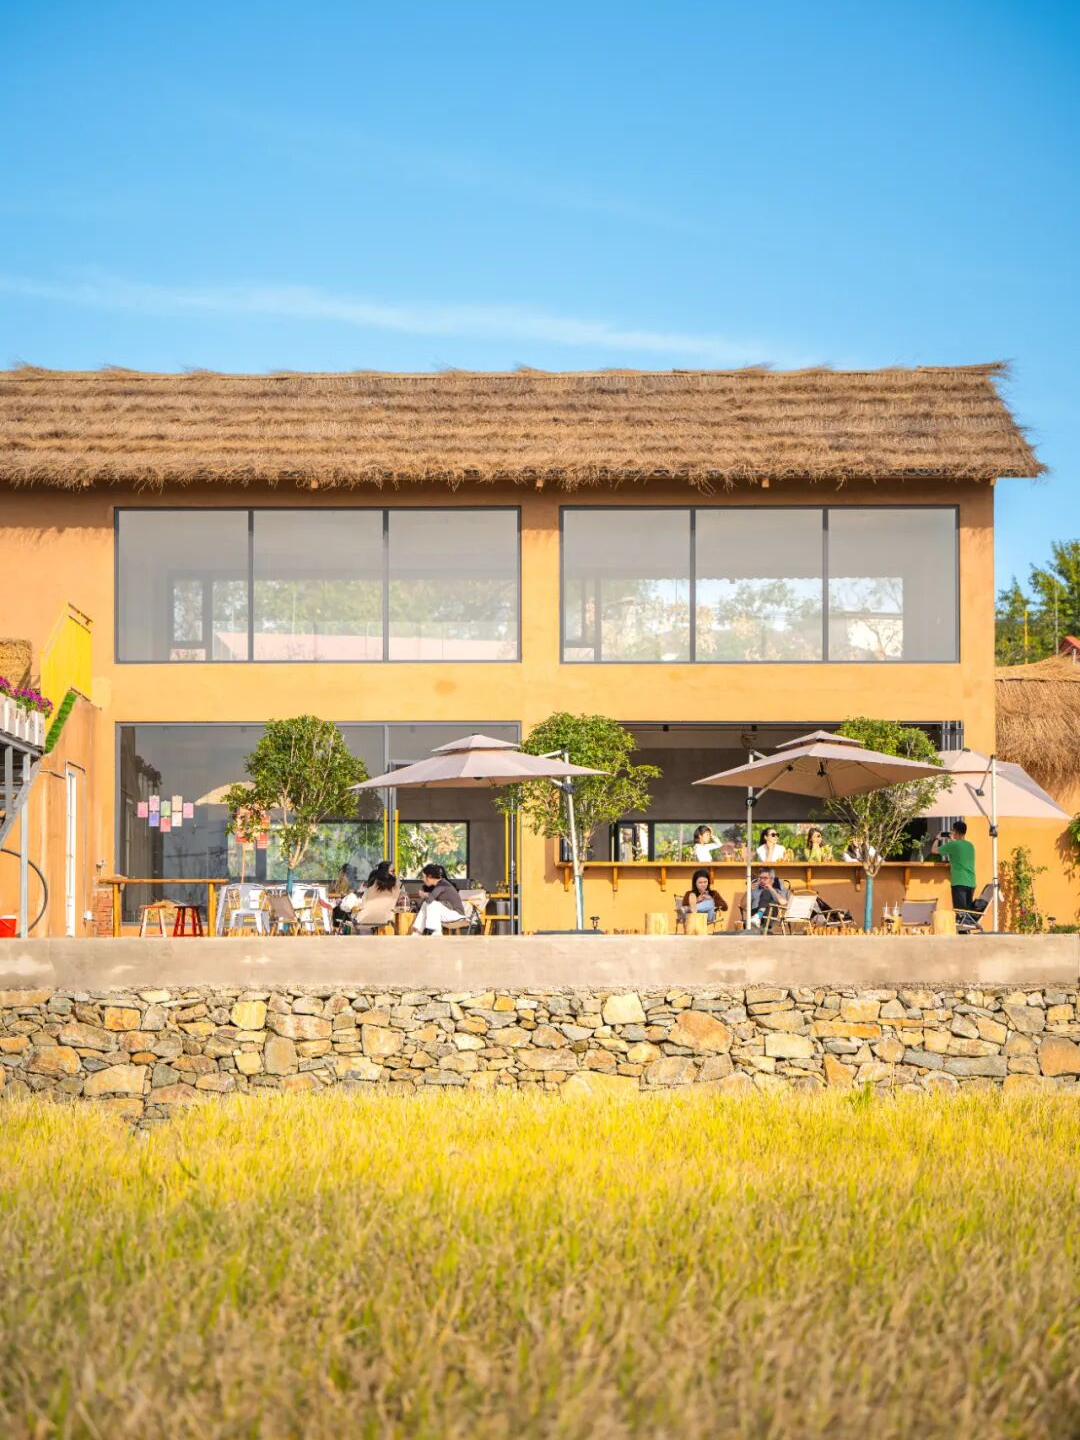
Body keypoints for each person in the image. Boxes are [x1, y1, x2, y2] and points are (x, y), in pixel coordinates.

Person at [932, 821, 977, 912]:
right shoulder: (970, 845)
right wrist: (953, 840)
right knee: (967, 914)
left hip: (959, 882)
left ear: (956, 831)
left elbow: (934, 850)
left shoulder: (954, 845)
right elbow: (959, 848)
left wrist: (937, 838)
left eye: (952, 830)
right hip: (971, 883)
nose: (951, 832)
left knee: (960, 913)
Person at [412, 862, 467, 935]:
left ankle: (436, 932)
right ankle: (417, 931)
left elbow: (430, 899)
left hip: (457, 915)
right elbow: (428, 900)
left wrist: (424, 894)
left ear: (429, 877)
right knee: (426, 904)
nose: (423, 879)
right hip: (447, 912)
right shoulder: (439, 884)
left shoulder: (442, 884)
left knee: (432, 904)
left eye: (423, 877)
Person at [349, 861, 402, 931]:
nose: (395, 874)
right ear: (384, 872)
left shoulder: (373, 886)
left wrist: (360, 893)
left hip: (366, 920)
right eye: (393, 871)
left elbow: (363, 904)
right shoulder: (396, 886)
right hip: (385, 919)